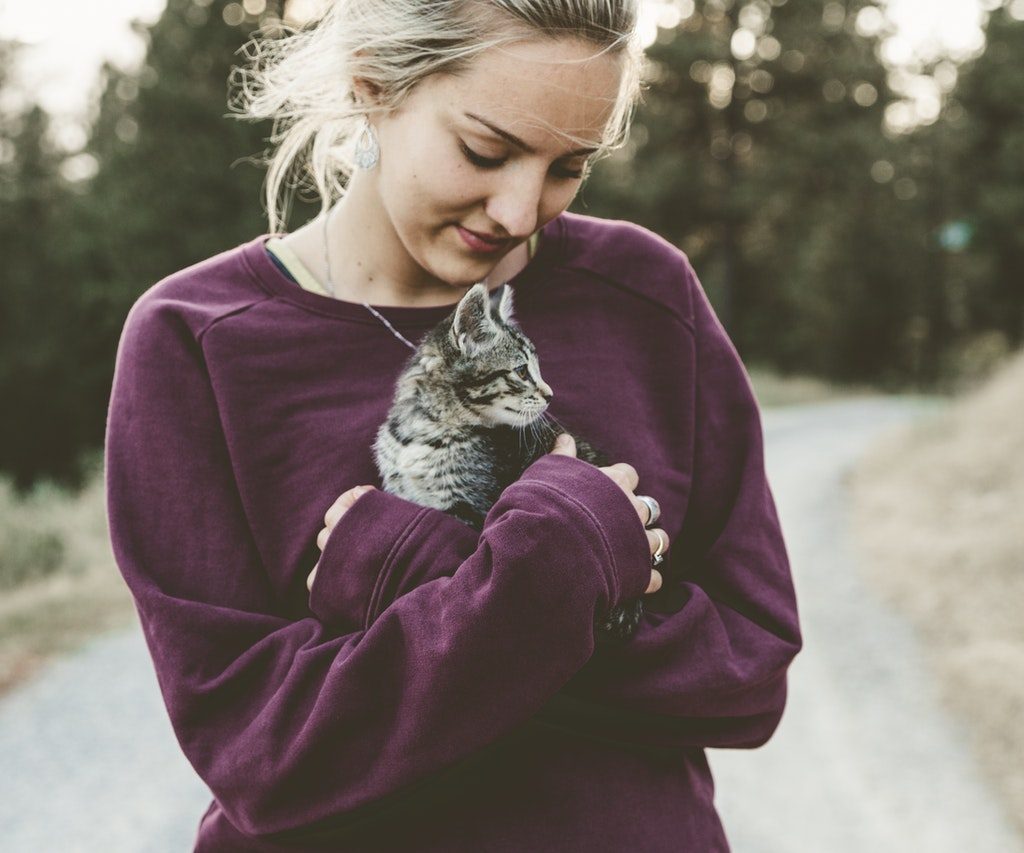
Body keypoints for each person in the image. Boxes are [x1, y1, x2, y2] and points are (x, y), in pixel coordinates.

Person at [104, 1, 803, 850]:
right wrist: (555, 569)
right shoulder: (198, 338)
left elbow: (749, 671)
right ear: (373, 87)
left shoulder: (645, 295)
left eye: (568, 166)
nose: (518, 210)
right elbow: (266, 755)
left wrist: (416, 572)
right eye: (486, 150)